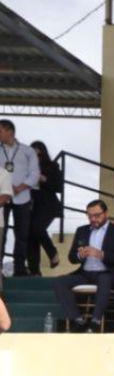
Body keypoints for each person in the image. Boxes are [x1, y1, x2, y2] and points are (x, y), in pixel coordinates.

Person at [52, 200, 114, 332]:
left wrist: (102, 254)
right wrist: (80, 255)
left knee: (104, 279)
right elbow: (71, 257)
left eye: (97, 215)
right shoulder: (82, 230)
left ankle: (95, 322)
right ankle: (78, 320)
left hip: (109, 274)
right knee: (59, 282)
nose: (93, 219)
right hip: (85, 274)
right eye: (90, 216)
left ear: (106, 213)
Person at [0, 119, 41, 277]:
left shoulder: (27, 151)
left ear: (10, 131)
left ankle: (20, 269)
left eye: (0, 131)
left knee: (22, 234)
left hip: (22, 197)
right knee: (1, 233)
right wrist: (6, 188)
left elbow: (35, 173)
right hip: (2, 198)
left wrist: (20, 187)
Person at [28, 140, 64, 276]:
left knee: (36, 227)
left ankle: (52, 253)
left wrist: (44, 179)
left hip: (48, 205)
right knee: (31, 235)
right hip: (31, 206)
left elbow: (59, 187)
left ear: (43, 154)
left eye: (38, 155)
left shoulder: (52, 166)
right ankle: (34, 271)